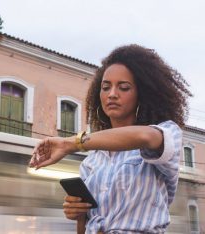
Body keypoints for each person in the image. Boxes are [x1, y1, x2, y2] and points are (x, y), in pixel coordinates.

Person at [29, 44, 192, 234]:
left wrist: (69, 144)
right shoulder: (92, 162)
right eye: (106, 87)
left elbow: (144, 136)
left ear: (142, 94)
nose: (112, 94)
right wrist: (78, 214)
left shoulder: (165, 135)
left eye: (123, 87)